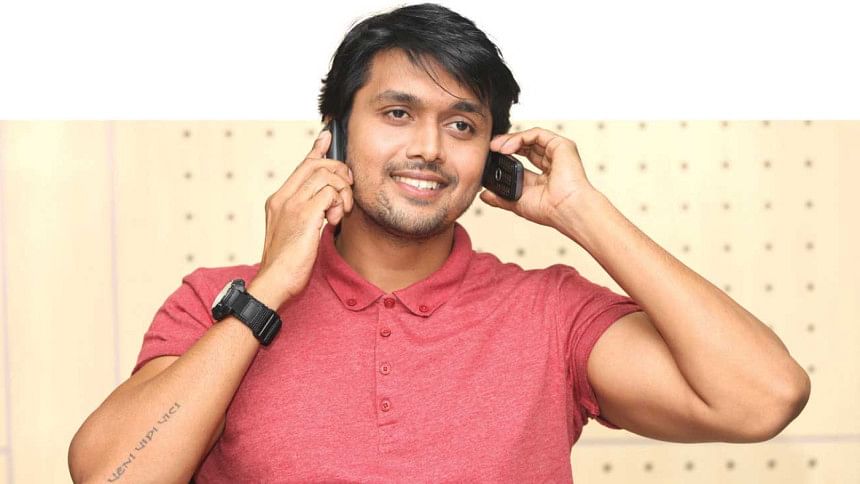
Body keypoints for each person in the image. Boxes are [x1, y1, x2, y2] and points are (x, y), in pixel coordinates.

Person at [68, 3, 810, 483]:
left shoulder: (550, 313)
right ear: (334, 134)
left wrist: (581, 212)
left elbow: (763, 398)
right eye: (397, 113)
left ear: (490, 153)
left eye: (461, 124)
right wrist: (268, 293)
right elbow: (111, 476)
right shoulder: (219, 302)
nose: (428, 147)